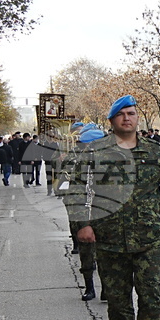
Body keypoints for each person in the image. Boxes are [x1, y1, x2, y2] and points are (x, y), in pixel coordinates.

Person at [67, 95, 160, 320]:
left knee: (150, 294)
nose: (127, 118)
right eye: (121, 114)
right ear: (112, 121)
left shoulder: (155, 151)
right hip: (108, 238)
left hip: (147, 238)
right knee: (118, 296)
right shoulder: (96, 151)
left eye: (131, 113)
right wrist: (83, 224)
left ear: (137, 118)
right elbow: (76, 189)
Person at [62, 125, 106, 301]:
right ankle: (90, 287)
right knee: (87, 252)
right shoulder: (80, 163)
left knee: (106, 253)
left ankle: (106, 288)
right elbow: (74, 191)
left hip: (107, 213)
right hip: (86, 211)